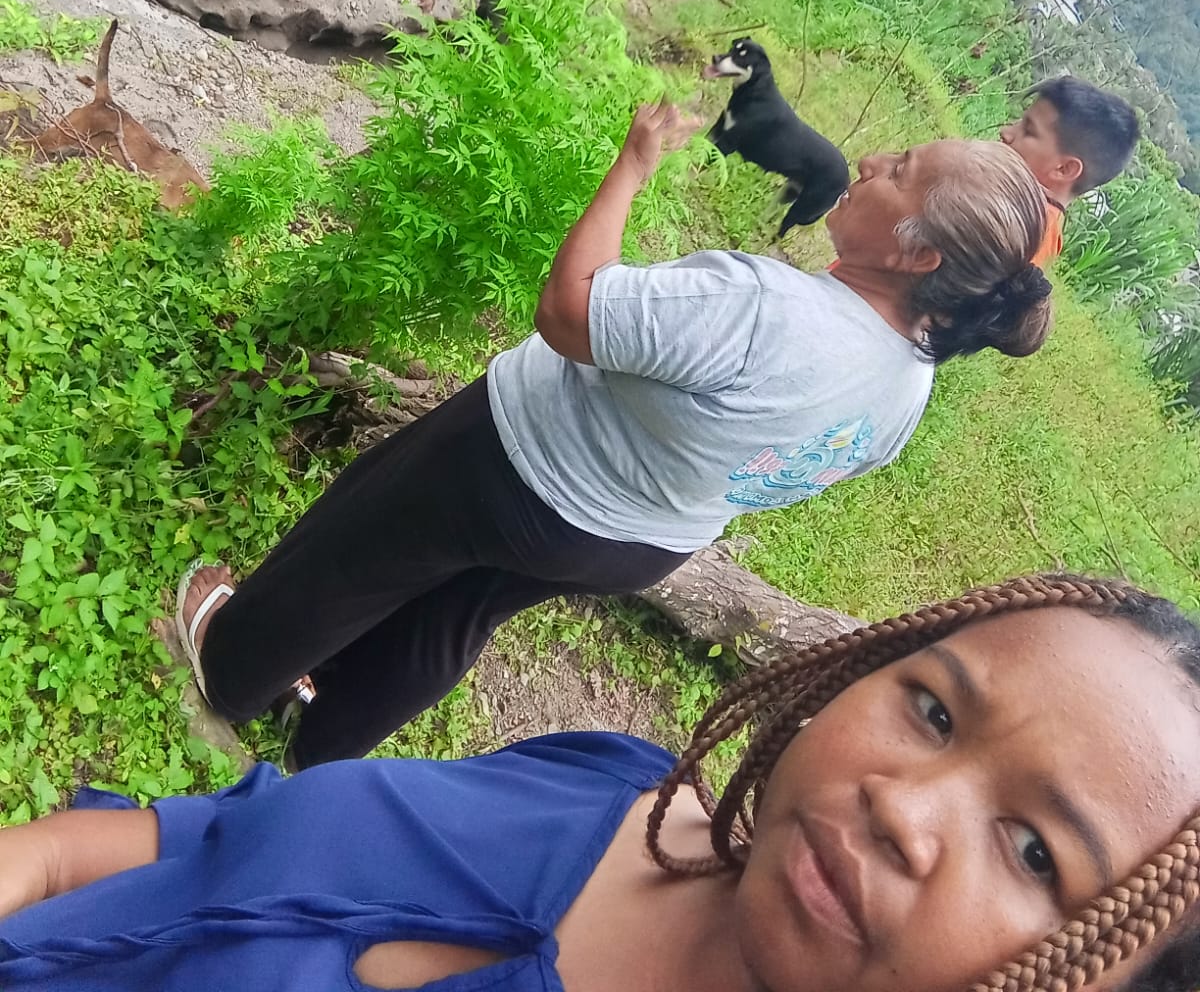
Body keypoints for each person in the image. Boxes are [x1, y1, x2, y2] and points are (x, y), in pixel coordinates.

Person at [174, 102, 1054, 770]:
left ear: (917, 256)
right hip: (635, 541)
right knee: (458, 614)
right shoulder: (907, 386)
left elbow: (569, 312)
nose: (869, 161)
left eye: (900, 171)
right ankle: (322, 742)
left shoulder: (762, 308)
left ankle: (231, 670)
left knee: (360, 547)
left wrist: (632, 166)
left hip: (519, 466)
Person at [2, 571, 1199, 992]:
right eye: (932, 708)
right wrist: (41, 857)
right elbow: (206, 843)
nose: (903, 804)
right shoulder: (609, 783)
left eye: (1035, 852)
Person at [1000, 75, 1139, 269]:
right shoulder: (1033, 224)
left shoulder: (1019, 232)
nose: (1005, 132)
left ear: (1064, 169)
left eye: (1028, 131)